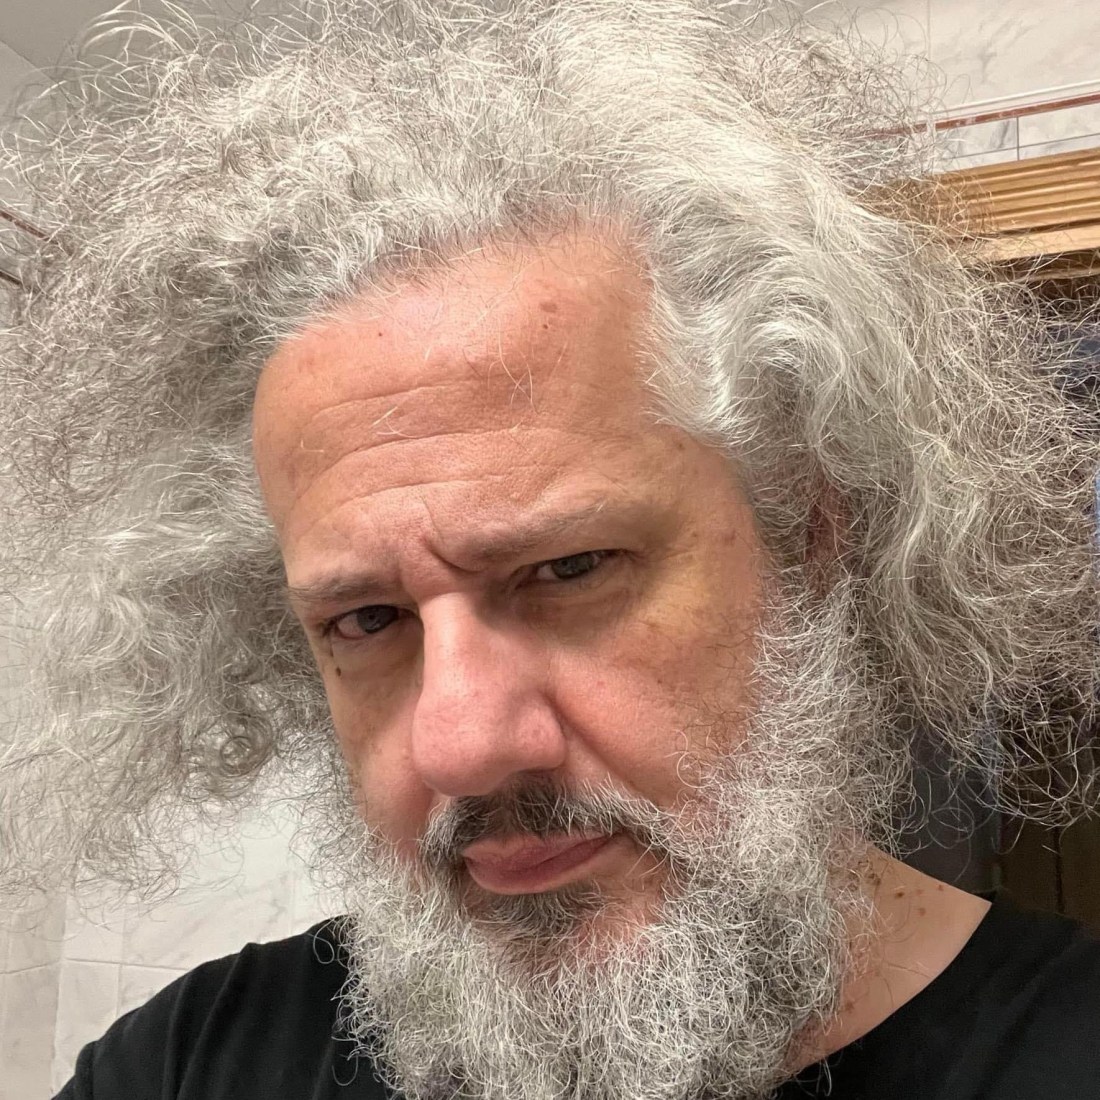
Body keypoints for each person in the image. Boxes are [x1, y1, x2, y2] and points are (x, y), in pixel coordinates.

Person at [1, 1, 1098, 1097]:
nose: (462, 747)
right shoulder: (185, 1062)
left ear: (806, 543)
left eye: (568, 570)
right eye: (367, 619)